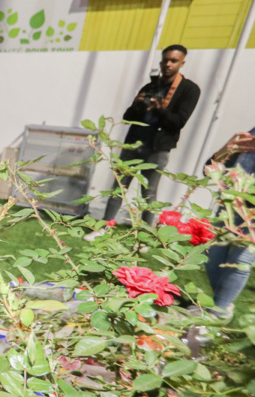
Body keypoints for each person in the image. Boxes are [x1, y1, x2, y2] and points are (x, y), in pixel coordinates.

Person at [85, 44, 201, 240]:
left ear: (182, 63)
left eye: (173, 61)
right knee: (119, 187)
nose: (168, 64)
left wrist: (159, 108)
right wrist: (139, 105)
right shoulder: (151, 86)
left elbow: (178, 122)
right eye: (165, 60)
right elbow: (128, 116)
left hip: (158, 148)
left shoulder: (189, 89)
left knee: (149, 192)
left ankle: (144, 236)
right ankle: (105, 227)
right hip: (134, 143)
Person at [202, 130, 255, 318]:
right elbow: (209, 170)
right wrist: (225, 150)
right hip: (231, 204)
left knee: (241, 259)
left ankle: (216, 313)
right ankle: (222, 304)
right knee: (213, 254)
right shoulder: (251, 134)